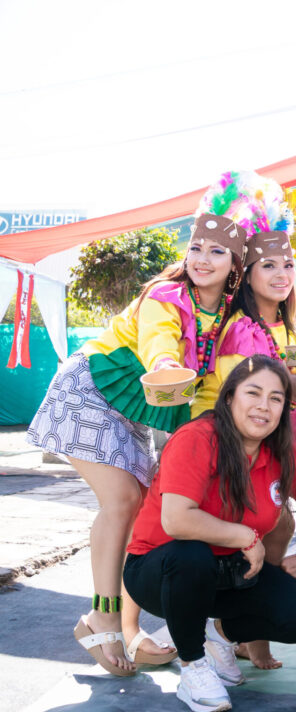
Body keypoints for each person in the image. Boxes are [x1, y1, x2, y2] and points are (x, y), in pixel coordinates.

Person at [27, 171, 265, 676]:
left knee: (144, 506)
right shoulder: (166, 295)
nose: (202, 258)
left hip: (132, 411)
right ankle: (103, 618)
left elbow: (217, 386)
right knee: (124, 502)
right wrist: (162, 365)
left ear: (235, 265)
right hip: (91, 391)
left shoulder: (226, 318)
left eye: (216, 252)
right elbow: (160, 343)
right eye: (197, 246)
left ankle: (127, 629)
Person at [123, 356, 296, 712]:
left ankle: (218, 636)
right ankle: (193, 667)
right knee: (190, 553)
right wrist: (246, 536)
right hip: (158, 571)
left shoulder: (279, 453)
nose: (263, 406)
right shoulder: (197, 438)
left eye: (275, 398)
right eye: (253, 393)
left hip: (231, 573)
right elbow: (177, 521)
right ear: (228, 399)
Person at [198, 175, 296, 669]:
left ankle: (249, 632)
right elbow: (247, 402)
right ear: (246, 273)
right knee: (270, 522)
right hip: (246, 444)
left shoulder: (284, 325)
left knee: (279, 521)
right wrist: (293, 392)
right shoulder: (244, 328)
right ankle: (232, 628)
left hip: (281, 437)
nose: (281, 273)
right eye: (268, 264)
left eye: (289, 264)